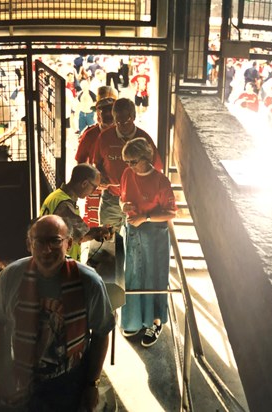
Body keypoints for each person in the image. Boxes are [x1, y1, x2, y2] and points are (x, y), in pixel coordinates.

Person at [0, 215, 115, 411]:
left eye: (55, 241)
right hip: (20, 378)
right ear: (29, 244)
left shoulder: (90, 282)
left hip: (71, 383)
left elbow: (101, 333)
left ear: (68, 244)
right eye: (39, 241)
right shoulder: (10, 276)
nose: (46, 249)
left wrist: (91, 384)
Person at [119, 138, 176, 347]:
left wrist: (146, 218)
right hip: (134, 233)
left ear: (146, 158)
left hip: (155, 236)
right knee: (133, 275)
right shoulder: (127, 174)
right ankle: (132, 319)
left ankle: (155, 321)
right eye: (127, 162)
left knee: (154, 276)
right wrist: (124, 206)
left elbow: (170, 212)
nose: (129, 166)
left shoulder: (161, 181)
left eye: (133, 162)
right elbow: (122, 198)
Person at [94, 97, 163, 231]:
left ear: (133, 117)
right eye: (118, 121)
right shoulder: (104, 137)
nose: (122, 125)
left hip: (137, 201)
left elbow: (156, 169)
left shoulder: (144, 139)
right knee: (108, 240)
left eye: (126, 121)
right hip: (111, 199)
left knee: (135, 241)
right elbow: (96, 163)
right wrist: (99, 178)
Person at [40, 163, 111, 260]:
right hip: (59, 263)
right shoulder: (65, 204)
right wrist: (99, 231)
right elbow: (82, 235)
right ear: (84, 183)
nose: (94, 191)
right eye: (94, 187)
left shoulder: (56, 196)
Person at [75, 86, 118, 227]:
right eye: (102, 110)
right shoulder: (89, 134)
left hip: (120, 189)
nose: (106, 115)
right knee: (96, 227)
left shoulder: (124, 134)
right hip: (95, 188)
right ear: (97, 113)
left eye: (110, 110)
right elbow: (80, 163)